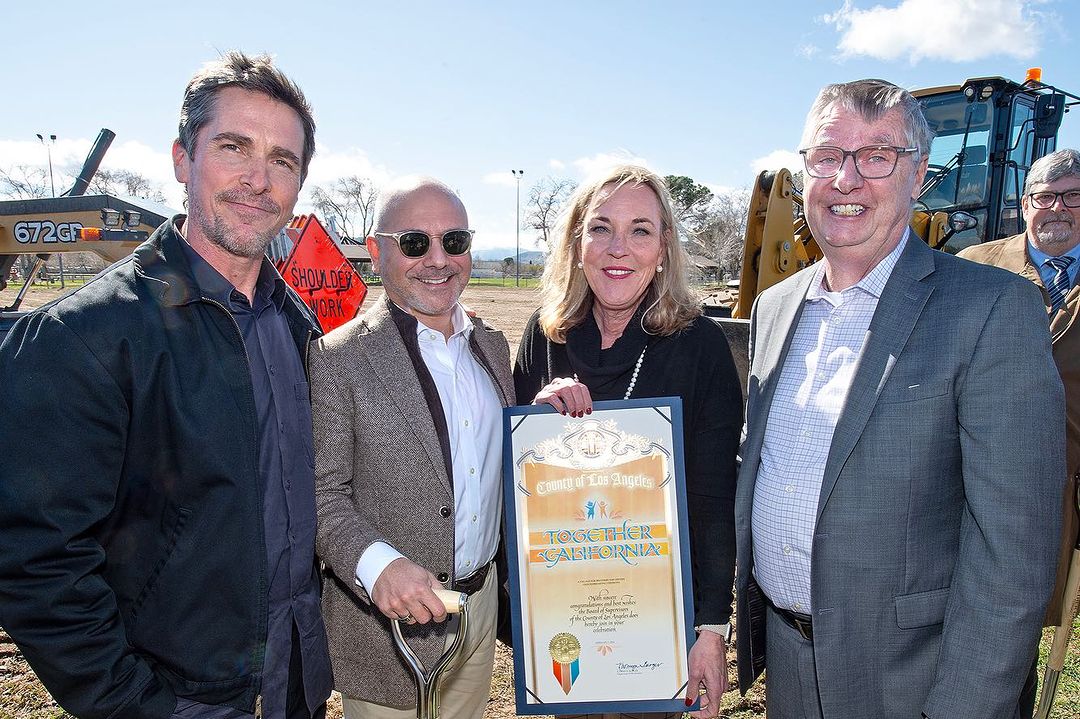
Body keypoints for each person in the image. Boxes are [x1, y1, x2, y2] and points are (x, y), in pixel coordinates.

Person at [0, 51, 332, 719]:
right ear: (183, 159)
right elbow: (37, 561)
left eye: (283, 161)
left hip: (294, 685)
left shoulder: (297, 325)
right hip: (181, 700)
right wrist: (138, 705)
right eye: (233, 146)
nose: (258, 179)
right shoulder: (86, 334)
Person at [733, 78, 1065, 719]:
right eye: (828, 157)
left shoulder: (993, 309)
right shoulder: (775, 308)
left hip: (914, 680)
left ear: (918, 176)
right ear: (805, 174)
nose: (847, 179)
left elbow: (1014, 554)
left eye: (876, 156)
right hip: (789, 667)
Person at [514, 165, 743, 719]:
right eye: (601, 228)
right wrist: (537, 423)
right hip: (564, 622)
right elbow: (519, 496)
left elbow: (715, 501)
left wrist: (711, 629)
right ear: (576, 242)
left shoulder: (701, 347)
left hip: (660, 627)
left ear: (663, 248)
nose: (619, 248)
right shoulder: (544, 341)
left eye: (641, 230)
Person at [311, 177, 515, 719]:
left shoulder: (493, 348)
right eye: (415, 242)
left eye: (454, 241)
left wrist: (547, 411)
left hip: (478, 612)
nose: (438, 259)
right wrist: (378, 567)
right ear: (377, 252)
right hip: (385, 639)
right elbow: (320, 495)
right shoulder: (338, 359)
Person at [958, 148, 1080, 716]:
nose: (1058, 209)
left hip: (1062, 488)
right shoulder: (973, 264)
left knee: (1022, 620)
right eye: (1044, 197)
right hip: (967, 479)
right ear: (1024, 202)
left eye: (1074, 197)